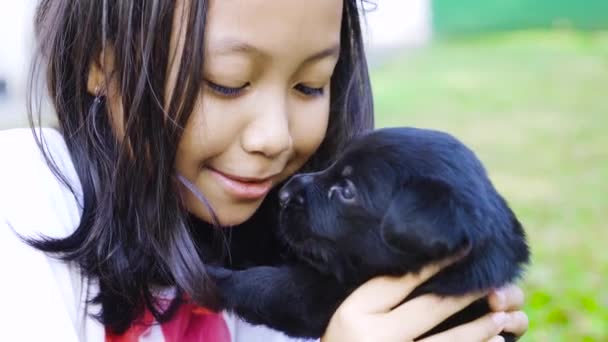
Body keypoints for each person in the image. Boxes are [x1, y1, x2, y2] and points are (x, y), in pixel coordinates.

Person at [0, 1, 529, 341]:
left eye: (310, 86)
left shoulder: (322, 254)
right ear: (103, 66)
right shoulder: (23, 200)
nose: (274, 137)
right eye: (227, 83)